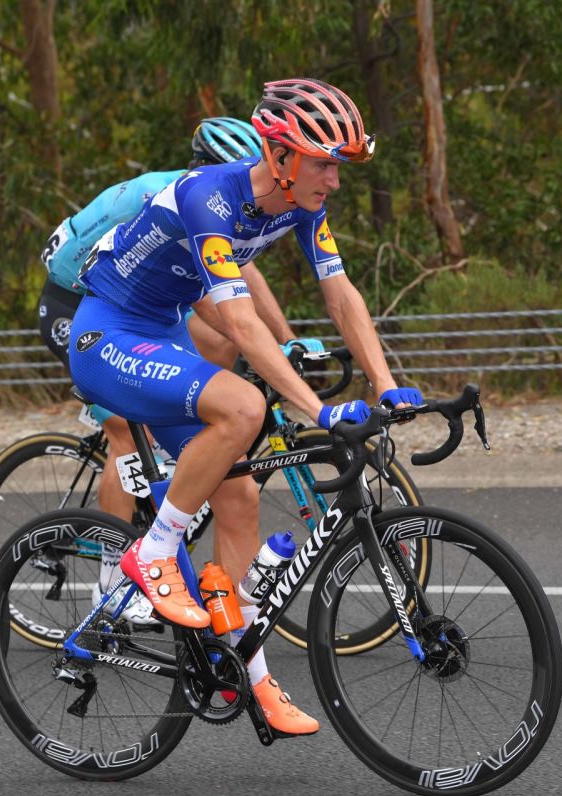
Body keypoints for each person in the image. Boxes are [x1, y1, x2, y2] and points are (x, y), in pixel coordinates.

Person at [69, 79, 422, 736]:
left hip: (163, 330)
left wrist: (384, 382)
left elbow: (340, 293)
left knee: (240, 499)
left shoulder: (301, 205)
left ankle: (248, 673)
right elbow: (238, 321)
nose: (334, 180)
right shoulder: (208, 195)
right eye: (322, 164)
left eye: (338, 167)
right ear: (280, 155)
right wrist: (319, 410)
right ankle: (154, 551)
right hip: (106, 333)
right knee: (242, 407)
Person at [37, 117, 315, 624]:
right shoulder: (173, 195)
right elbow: (220, 292)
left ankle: (185, 458)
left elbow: (239, 275)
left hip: (149, 304)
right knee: (127, 432)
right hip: (79, 302)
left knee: (218, 354)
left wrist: (284, 339)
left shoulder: (235, 206)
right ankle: (111, 584)